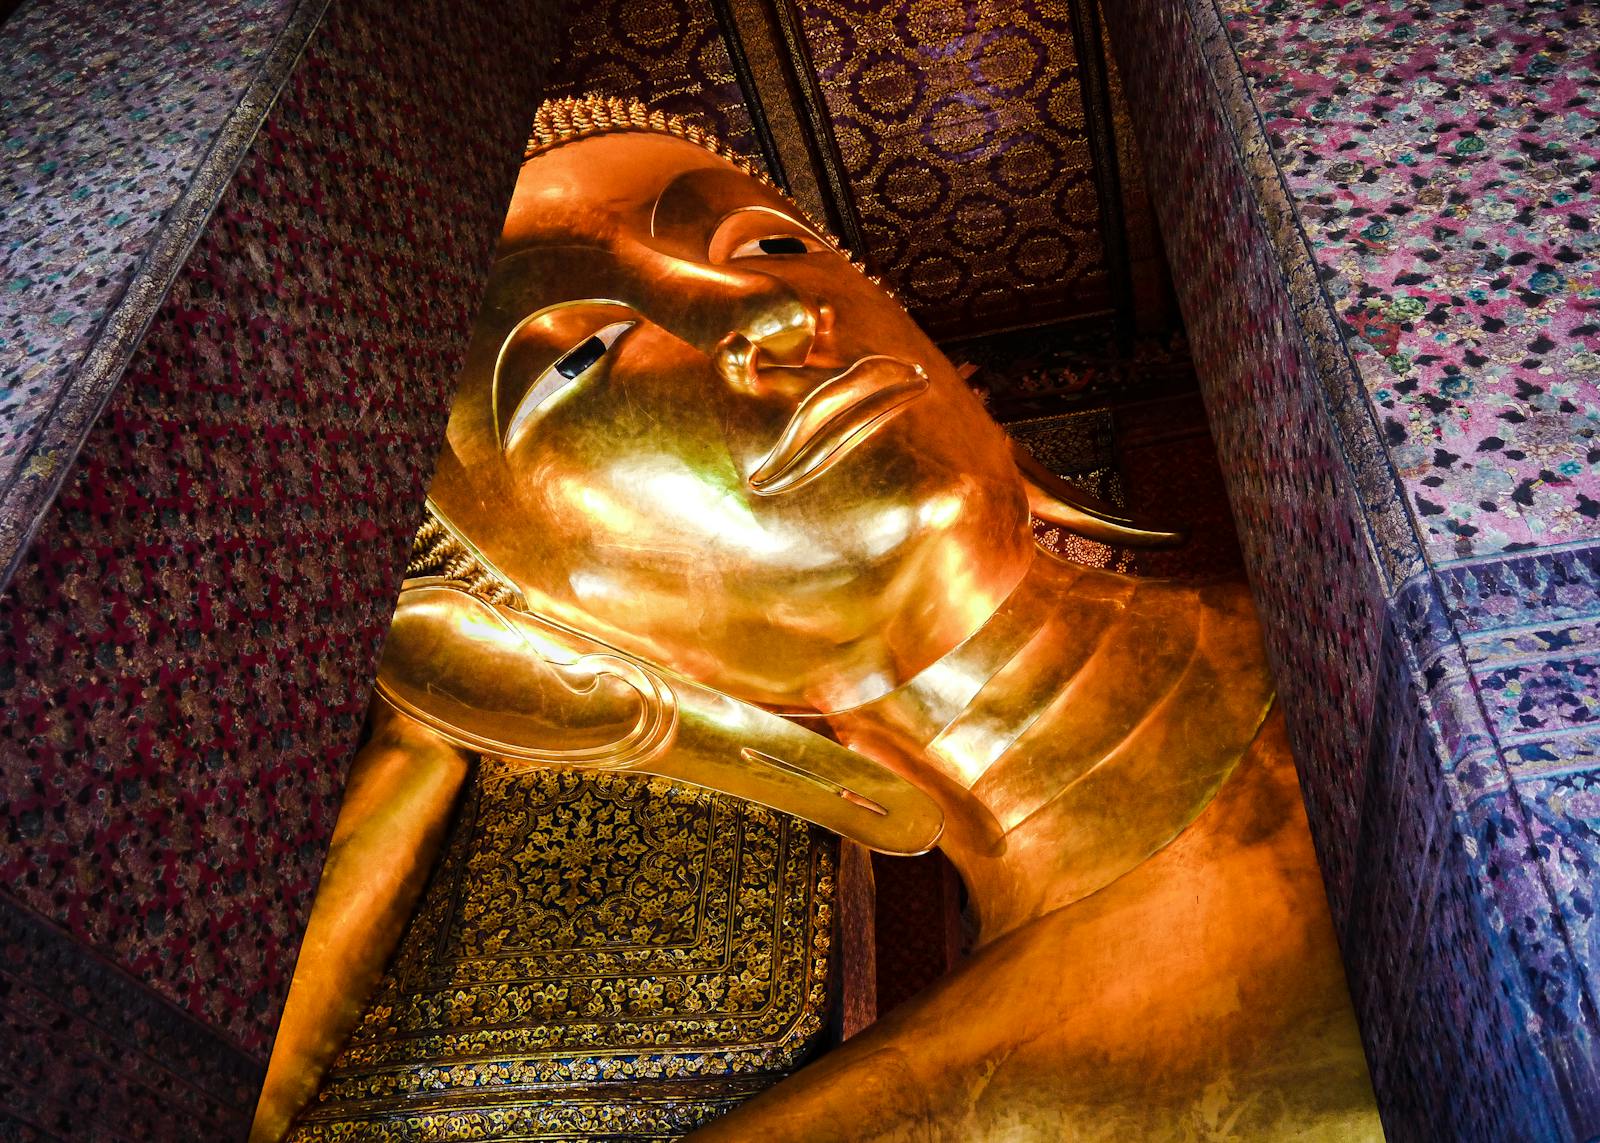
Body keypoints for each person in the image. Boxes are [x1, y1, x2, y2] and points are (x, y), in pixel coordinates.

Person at [252, 96, 1382, 1141]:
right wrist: (423, 737)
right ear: (532, 655)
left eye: (769, 244)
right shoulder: (956, 1103)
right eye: (581, 361)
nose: (776, 312)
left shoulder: (1374, 558)